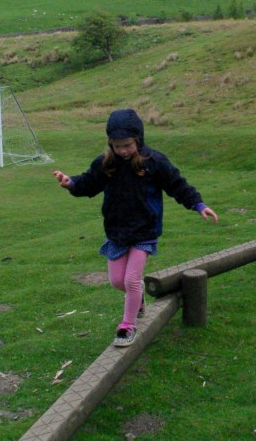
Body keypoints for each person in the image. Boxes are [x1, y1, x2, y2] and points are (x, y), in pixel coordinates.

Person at [54, 108, 218, 347]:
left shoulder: (154, 162)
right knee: (117, 281)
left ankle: (127, 326)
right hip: (117, 231)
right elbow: (89, 183)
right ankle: (138, 298)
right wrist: (71, 183)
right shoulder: (106, 164)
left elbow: (177, 185)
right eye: (117, 146)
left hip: (144, 231)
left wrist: (198, 204)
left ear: (138, 141)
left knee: (131, 280)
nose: (122, 151)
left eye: (127, 145)